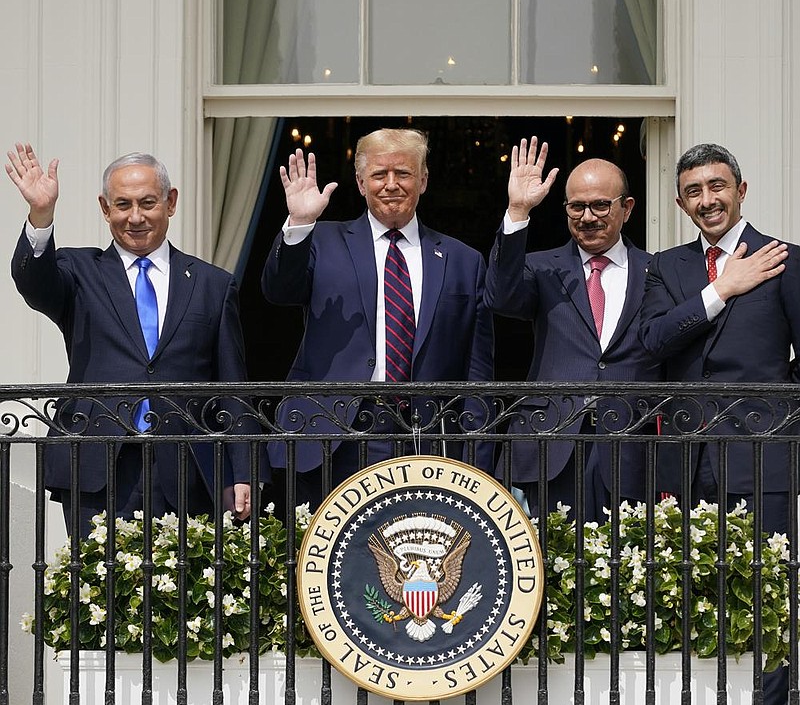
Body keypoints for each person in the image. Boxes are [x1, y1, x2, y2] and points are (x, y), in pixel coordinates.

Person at [5, 142, 257, 537]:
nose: (135, 217)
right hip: (97, 463)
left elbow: (232, 387)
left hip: (187, 466)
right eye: (122, 205)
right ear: (105, 209)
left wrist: (242, 470)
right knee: (97, 590)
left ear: (170, 203)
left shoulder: (212, 284)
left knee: (185, 592)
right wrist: (41, 215)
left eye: (148, 202)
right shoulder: (78, 271)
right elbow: (33, 282)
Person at [639, 142, 800, 705]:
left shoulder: (784, 259)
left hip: (763, 452)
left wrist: (780, 407)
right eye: (694, 192)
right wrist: (722, 289)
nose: (707, 200)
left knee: (768, 592)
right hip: (684, 454)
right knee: (686, 586)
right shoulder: (668, 267)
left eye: (717, 187)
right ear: (680, 202)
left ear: (742, 189)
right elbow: (653, 340)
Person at [262, 128, 494, 508]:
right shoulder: (320, 241)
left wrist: (478, 459)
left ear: (423, 180)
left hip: (427, 440)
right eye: (379, 175)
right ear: (360, 182)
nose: (391, 185)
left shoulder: (463, 260)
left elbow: (477, 370)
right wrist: (299, 223)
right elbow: (279, 292)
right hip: (333, 437)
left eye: (403, 174)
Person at [485, 137, 661, 523]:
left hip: (629, 444)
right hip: (551, 442)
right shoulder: (542, 267)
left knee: (624, 569)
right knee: (548, 566)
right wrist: (518, 210)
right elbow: (500, 298)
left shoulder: (658, 272)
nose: (588, 217)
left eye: (600, 205)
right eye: (577, 206)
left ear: (627, 208)